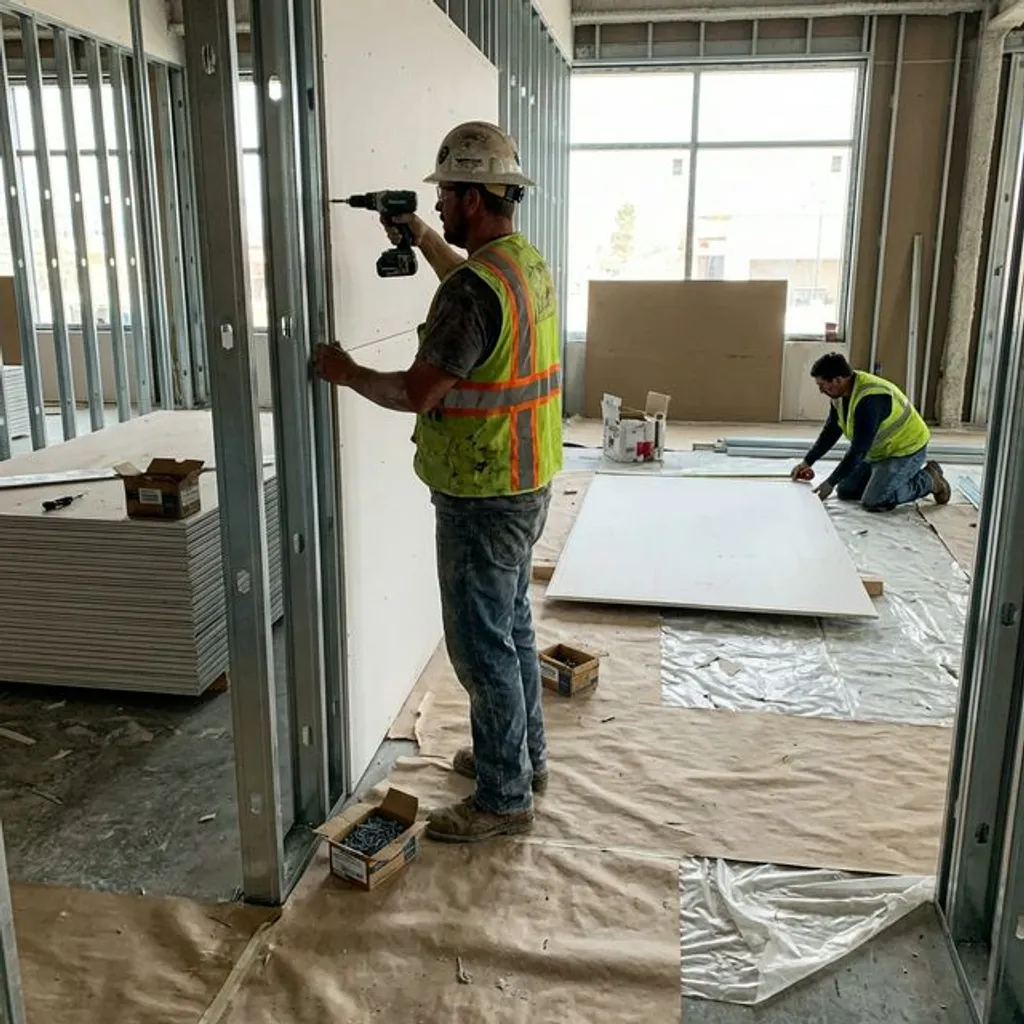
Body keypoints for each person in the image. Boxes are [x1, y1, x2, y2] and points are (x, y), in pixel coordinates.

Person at [314, 121, 562, 843]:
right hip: (526, 477)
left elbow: (417, 393)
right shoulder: (521, 264)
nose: (443, 204)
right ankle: (523, 761)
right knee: (511, 629)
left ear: (474, 197)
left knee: (480, 648)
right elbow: (468, 284)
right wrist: (420, 236)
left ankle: (504, 799)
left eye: (447, 194)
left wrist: (345, 372)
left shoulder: (471, 295)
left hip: (482, 493)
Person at [790, 352, 950, 511]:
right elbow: (830, 432)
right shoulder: (839, 395)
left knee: (874, 501)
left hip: (904, 450)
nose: (821, 391)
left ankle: (930, 479)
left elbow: (858, 451)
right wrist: (806, 462)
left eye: (822, 385)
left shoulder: (870, 400)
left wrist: (830, 483)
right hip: (878, 452)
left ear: (838, 380)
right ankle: (880, 480)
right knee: (845, 491)